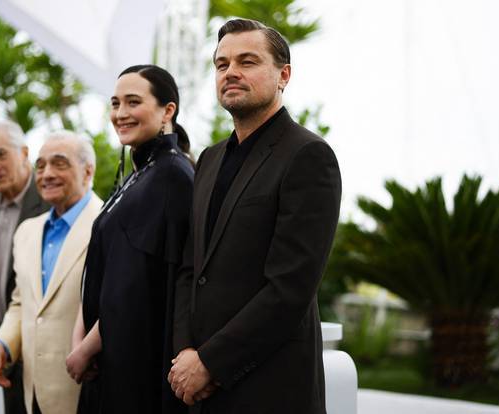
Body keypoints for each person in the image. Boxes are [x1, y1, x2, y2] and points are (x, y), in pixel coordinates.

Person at [169, 18, 342, 414]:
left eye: (247, 61)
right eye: (221, 64)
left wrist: (211, 362)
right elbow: (189, 268)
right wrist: (185, 355)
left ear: (283, 75)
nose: (231, 72)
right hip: (198, 388)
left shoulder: (308, 156)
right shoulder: (209, 159)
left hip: (270, 388)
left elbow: (290, 289)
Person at [67, 64, 193, 414]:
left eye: (133, 102)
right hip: (109, 358)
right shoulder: (141, 174)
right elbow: (102, 272)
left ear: (168, 110)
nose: (120, 114)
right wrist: (83, 340)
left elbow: (135, 287)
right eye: (115, 103)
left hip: (136, 366)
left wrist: (85, 349)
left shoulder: (171, 177)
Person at [0, 131, 103, 414]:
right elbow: (21, 302)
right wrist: (3, 342)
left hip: (86, 391)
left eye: (59, 163)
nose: (46, 174)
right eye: (40, 165)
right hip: (31, 394)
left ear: (88, 171)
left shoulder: (107, 224)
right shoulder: (27, 231)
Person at [0, 121, 50, 414]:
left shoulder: (50, 202)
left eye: (0, 154)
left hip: (46, 361)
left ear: (24, 153)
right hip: (5, 360)